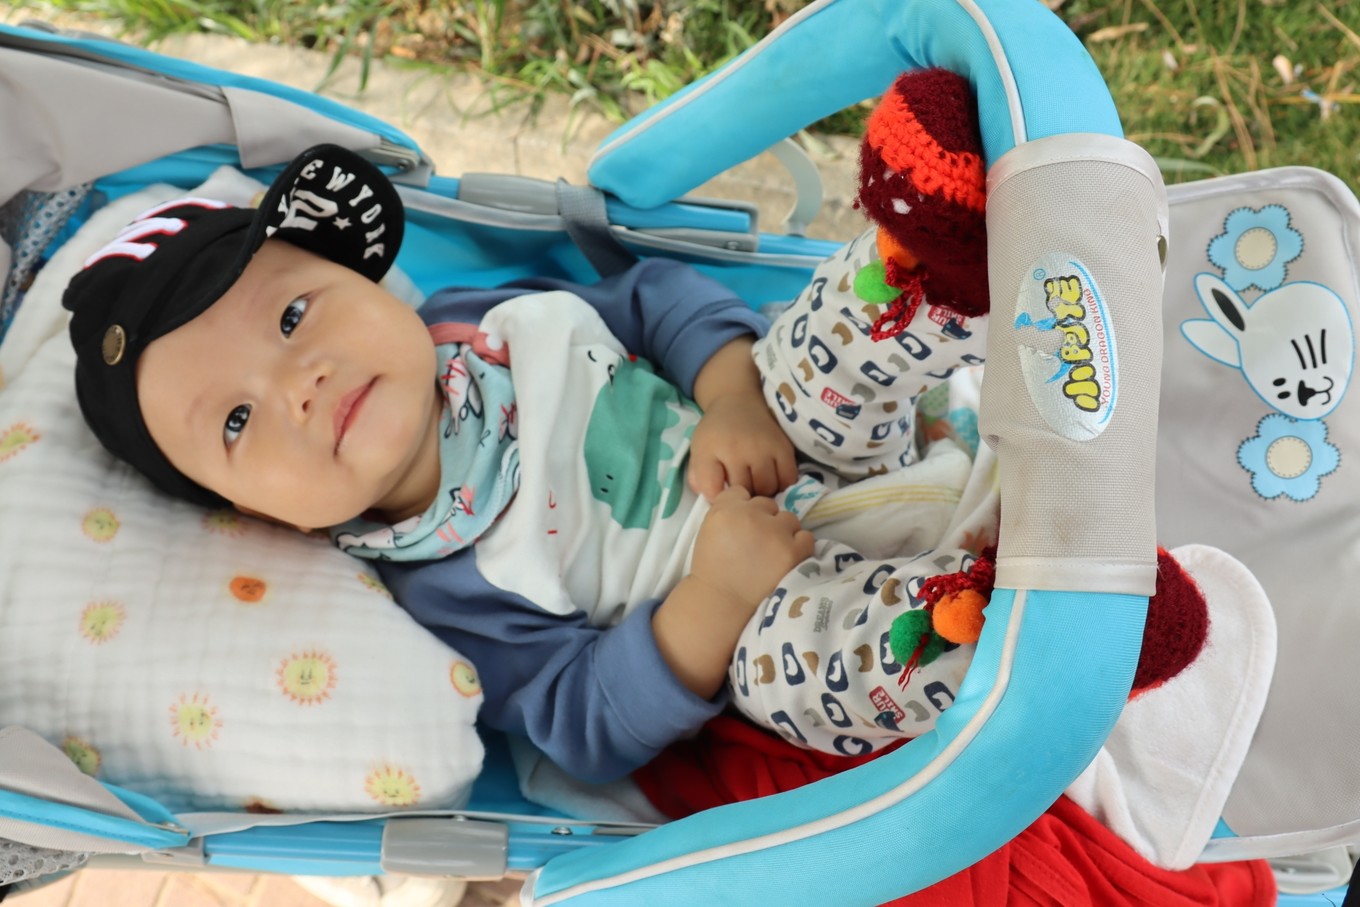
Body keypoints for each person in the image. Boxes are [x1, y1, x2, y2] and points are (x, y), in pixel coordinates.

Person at [61, 70, 1204, 783]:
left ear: (366, 281)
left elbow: (655, 299)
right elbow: (584, 722)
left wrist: (728, 394)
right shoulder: (442, 589)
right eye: (239, 419)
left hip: (794, 437)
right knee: (797, 674)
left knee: (802, 357)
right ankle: (1011, 628)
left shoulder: (483, 318)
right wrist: (714, 597)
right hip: (766, 604)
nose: (300, 381)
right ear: (253, 516)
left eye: (292, 315)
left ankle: (930, 254)